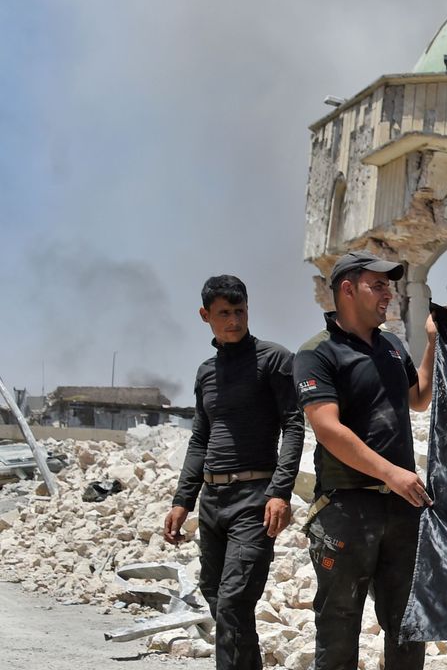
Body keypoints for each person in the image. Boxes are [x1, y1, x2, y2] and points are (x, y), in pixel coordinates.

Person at [293, 250, 437, 670]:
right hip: (346, 510)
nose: (388, 294)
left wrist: (431, 343)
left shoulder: (391, 346)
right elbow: (328, 429)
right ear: (347, 289)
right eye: (378, 285)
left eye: (390, 285)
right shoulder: (317, 354)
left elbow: (419, 397)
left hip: (401, 507)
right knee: (339, 628)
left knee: (409, 625)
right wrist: (392, 473)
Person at [164, 275, 304, 670]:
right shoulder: (206, 372)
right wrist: (182, 501)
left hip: (254, 500)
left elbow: (294, 426)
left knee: (233, 601)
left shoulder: (275, 360)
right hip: (212, 502)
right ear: (205, 315)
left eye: (239, 311)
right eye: (224, 313)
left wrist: (281, 492)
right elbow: (199, 439)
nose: (234, 321)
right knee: (218, 596)